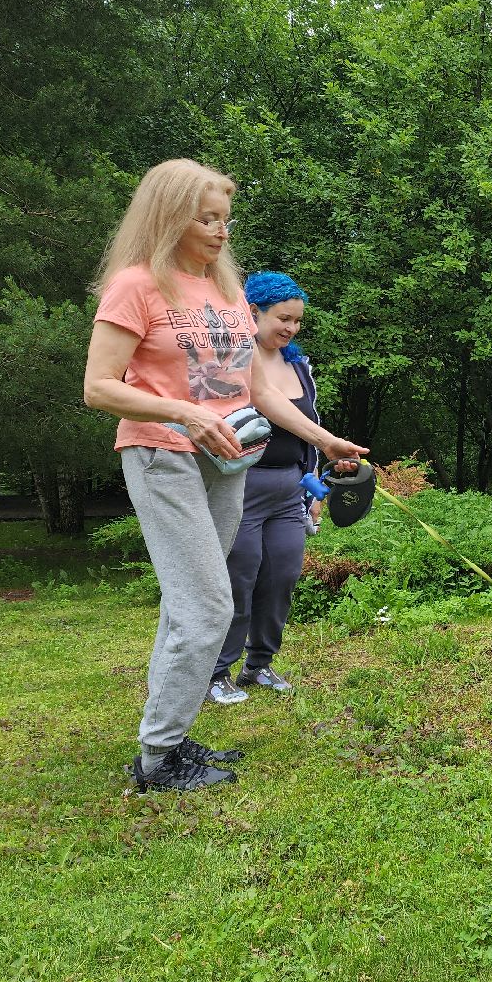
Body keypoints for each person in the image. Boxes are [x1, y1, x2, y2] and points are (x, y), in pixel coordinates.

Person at [83, 159, 367, 792]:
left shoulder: (228, 291)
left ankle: (169, 738)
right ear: (169, 217)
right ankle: (158, 759)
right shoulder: (136, 285)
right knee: (209, 604)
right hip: (164, 455)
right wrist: (185, 413)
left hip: (230, 461)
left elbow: (256, 389)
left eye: (225, 219)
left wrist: (322, 439)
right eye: (206, 218)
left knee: (188, 606)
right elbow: (98, 387)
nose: (220, 231)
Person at [207, 272, 324, 705]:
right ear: (252, 312)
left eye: (297, 320)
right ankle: (216, 671)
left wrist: (312, 487)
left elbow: (310, 430)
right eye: (283, 318)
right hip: (241, 485)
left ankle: (258, 664)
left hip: (289, 487)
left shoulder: (299, 366)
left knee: (282, 576)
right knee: (239, 578)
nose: (291, 328)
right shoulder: (230, 359)